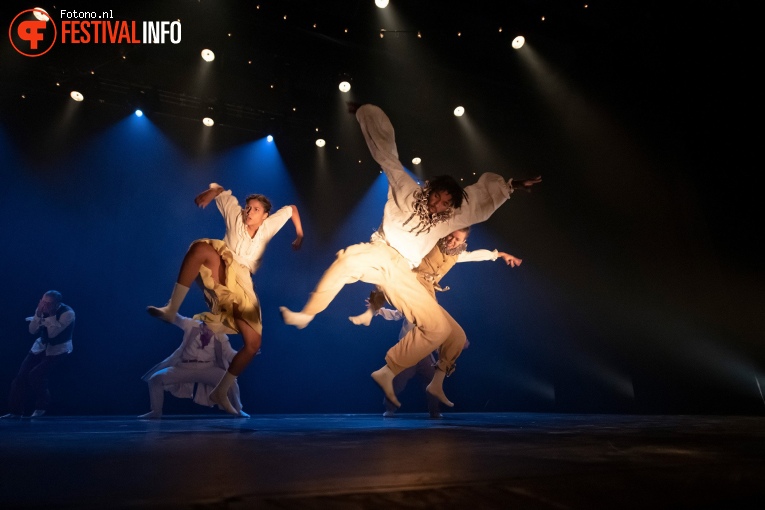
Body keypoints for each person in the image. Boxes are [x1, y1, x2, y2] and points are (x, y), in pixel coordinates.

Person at [280, 102, 540, 409]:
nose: (438, 205)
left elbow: (478, 201)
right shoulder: (406, 189)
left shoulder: (451, 218)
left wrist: (510, 186)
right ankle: (307, 314)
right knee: (348, 260)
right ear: (429, 190)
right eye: (437, 197)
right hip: (380, 251)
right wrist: (366, 112)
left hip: (404, 271)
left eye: (445, 203)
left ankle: (388, 372)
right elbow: (387, 156)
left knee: (441, 329)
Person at [147, 183, 304, 415]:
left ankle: (221, 391)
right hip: (223, 268)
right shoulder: (235, 214)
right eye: (248, 208)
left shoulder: (269, 226)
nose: (249, 212)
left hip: (243, 285)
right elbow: (220, 190)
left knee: (253, 345)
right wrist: (210, 193)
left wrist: (299, 234)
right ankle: (172, 308)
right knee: (201, 247)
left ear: (265, 215)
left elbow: (291, 208)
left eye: (255, 210)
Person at [350, 227, 522, 417]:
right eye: (451, 236)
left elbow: (473, 255)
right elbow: (398, 309)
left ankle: (435, 393)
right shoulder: (428, 246)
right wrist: (378, 308)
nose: (452, 241)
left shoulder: (455, 256)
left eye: (457, 240)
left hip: (427, 322)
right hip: (413, 303)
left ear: (463, 242)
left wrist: (499, 254)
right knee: (403, 376)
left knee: (457, 337)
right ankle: (388, 385)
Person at [140, 313, 248, 419]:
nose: (210, 331)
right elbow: (177, 318)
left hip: (208, 368)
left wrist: (245, 353)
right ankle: (156, 411)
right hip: (185, 367)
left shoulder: (220, 336)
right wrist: (167, 310)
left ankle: (238, 410)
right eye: (208, 328)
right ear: (202, 325)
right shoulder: (191, 325)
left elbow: (230, 354)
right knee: (155, 379)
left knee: (230, 380)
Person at [1, 290, 75, 419]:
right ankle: (15, 411)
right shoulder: (41, 309)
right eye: (43, 301)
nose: (44, 305)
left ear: (57, 303)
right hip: (41, 346)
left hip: (59, 348)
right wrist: (38, 315)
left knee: (36, 374)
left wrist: (51, 315)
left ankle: (42, 406)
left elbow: (53, 335)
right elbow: (32, 330)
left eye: (49, 303)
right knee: (21, 377)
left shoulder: (67, 313)